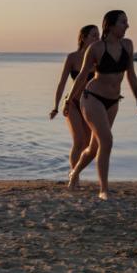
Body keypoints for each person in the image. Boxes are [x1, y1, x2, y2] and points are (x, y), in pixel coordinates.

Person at [67, 10, 137, 199]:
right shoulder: (96, 48)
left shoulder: (128, 45)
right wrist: (69, 100)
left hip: (113, 101)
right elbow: (82, 76)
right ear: (110, 26)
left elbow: (131, 74)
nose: (127, 25)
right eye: (123, 22)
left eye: (127, 22)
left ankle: (74, 172)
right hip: (92, 98)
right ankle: (104, 190)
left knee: (94, 149)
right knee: (107, 140)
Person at [50, 25, 100, 174]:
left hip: (89, 105)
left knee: (89, 145)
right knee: (79, 142)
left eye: (98, 36)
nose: (97, 38)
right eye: (93, 35)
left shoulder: (98, 59)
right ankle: (75, 177)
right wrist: (56, 106)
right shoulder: (72, 57)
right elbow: (62, 83)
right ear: (83, 38)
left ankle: (75, 172)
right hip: (72, 103)